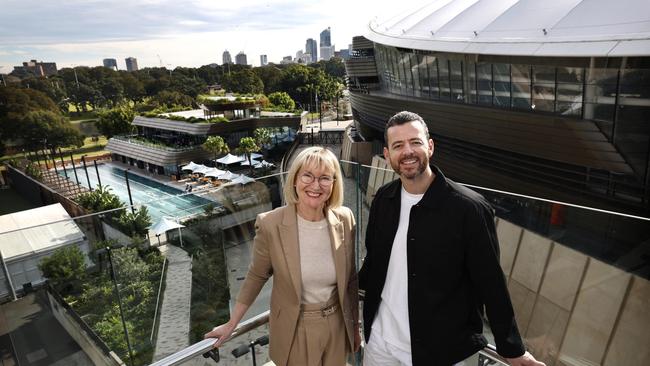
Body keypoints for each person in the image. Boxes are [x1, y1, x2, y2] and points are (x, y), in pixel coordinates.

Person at [359, 111, 545, 366]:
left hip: (440, 352)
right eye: (398, 145)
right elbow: (374, 260)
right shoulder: (384, 198)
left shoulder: (469, 209)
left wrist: (512, 348)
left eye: (415, 142)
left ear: (430, 146)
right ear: (387, 154)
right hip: (380, 345)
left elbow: (490, 282)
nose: (408, 151)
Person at [205, 146, 360, 366]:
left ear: (334, 184)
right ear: (295, 180)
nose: (316, 185)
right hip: (295, 328)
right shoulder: (271, 223)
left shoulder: (345, 219)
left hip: (336, 325)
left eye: (325, 178)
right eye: (308, 175)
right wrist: (232, 323)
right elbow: (256, 276)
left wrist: (354, 327)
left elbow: (351, 279)